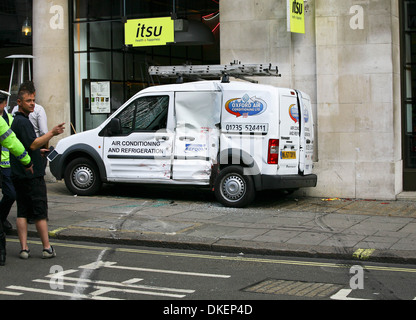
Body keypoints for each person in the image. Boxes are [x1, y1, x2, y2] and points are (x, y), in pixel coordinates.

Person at [11, 83, 64, 260]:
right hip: (32, 174)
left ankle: (24, 249)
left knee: (22, 212)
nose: (32, 104)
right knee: (40, 212)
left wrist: (37, 151)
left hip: (18, 173)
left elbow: (24, 146)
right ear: (19, 102)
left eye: (33, 100)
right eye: (28, 101)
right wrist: (52, 133)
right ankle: (46, 248)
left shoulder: (15, 121)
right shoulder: (23, 122)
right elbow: (33, 143)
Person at [0, 90, 33, 266]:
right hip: (5, 165)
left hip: (6, 166)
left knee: (11, 195)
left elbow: (14, 141)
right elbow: (13, 142)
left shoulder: (9, 119)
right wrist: (27, 161)